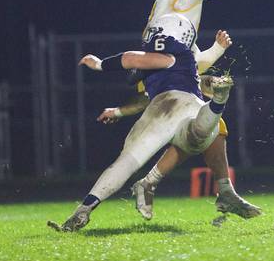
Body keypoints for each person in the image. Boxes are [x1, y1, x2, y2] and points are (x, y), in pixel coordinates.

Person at [49, 13, 233, 233]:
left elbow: (133, 63)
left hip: (157, 112)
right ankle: (219, 102)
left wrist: (100, 64)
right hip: (184, 104)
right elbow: (133, 59)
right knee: (199, 132)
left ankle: (84, 209)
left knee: (125, 163)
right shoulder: (181, 53)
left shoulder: (157, 52)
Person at [98, 29, 262, 220]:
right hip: (166, 115)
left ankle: (225, 191)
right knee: (195, 135)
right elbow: (145, 98)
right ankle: (150, 183)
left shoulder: (182, 49)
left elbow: (197, 77)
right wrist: (118, 111)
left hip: (186, 108)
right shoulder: (154, 57)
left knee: (216, 128)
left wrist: (215, 71)